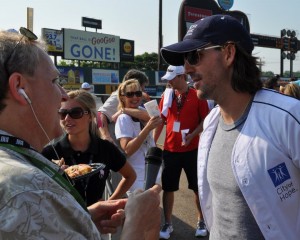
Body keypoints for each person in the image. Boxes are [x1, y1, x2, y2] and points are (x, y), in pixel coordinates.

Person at [0, 28, 161, 239]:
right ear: (20, 87)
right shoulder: (27, 189)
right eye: (55, 82)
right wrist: (137, 226)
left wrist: (82, 218)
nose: (63, 94)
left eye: (75, 112)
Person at [160, 14, 300, 239]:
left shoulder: (288, 117)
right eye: (184, 59)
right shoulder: (211, 123)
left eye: (194, 56)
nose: (185, 68)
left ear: (228, 53)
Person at [42, 90, 136, 205]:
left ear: (90, 116)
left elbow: (130, 175)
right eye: (62, 113)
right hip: (64, 220)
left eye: (75, 113)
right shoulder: (51, 153)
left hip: (96, 221)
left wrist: (109, 202)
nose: (67, 118)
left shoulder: (105, 148)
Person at [153, 65, 209, 239]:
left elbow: (205, 119)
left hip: (192, 148)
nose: (169, 81)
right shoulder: (167, 95)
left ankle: (201, 220)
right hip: (170, 149)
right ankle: (168, 223)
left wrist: (193, 134)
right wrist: (155, 143)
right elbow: (161, 120)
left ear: (182, 76)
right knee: (168, 188)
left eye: (172, 78)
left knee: (196, 188)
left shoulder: (197, 95)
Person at [115, 79, 162, 194]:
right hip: (137, 177)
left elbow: (158, 118)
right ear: (122, 97)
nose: (135, 97)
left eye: (138, 93)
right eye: (130, 94)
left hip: (153, 171)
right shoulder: (123, 119)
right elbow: (128, 149)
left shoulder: (141, 111)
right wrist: (147, 129)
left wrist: (124, 109)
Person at [98, 69, 150, 145]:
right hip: (117, 146)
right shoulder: (118, 96)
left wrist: (124, 110)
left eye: (139, 92)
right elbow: (99, 115)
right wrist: (105, 136)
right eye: (143, 87)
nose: (144, 90)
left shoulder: (134, 98)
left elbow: (151, 117)